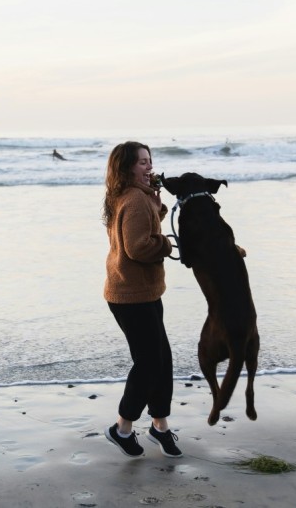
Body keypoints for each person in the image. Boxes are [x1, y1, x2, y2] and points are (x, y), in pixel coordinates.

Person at [102, 141, 182, 458]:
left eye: (150, 161)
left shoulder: (133, 195)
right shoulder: (134, 200)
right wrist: (165, 245)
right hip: (131, 296)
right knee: (149, 363)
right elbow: (138, 247)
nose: (149, 167)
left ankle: (159, 427)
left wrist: (157, 204)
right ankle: (122, 428)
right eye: (142, 163)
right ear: (127, 168)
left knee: (162, 360)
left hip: (141, 292)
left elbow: (144, 225)